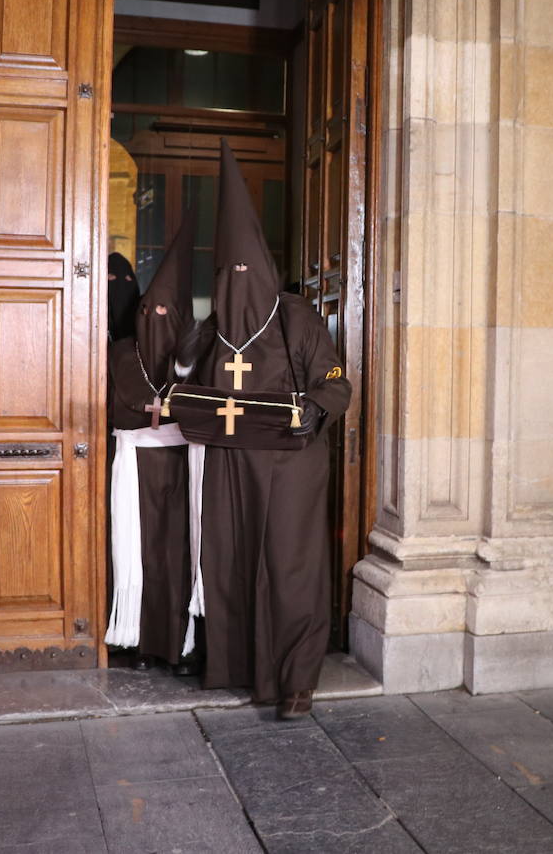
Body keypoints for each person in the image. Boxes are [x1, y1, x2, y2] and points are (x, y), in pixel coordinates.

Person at [183, 141, 351, 719]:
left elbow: (337, 385)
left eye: (244, 275)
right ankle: (234, 666)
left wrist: (311, 409)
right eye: (226, 276)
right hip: (230, 464)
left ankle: (296, 680)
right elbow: (185, 377)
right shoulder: (214, 327)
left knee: (288, 567)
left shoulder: (298, 319)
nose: (237, 286)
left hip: (290, 466)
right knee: (230, 560)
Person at [105, 221, 203, 674]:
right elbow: (115, 411)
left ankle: (181, 646)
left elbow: (203, 407)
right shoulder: (122, 353)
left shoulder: (194, 359)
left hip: (184, 464)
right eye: (149, 311)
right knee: (140, 554)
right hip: (136, 467)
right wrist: (152, 413)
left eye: (166, 313)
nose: (156, 318)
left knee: (180, 554)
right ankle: (141, 642)